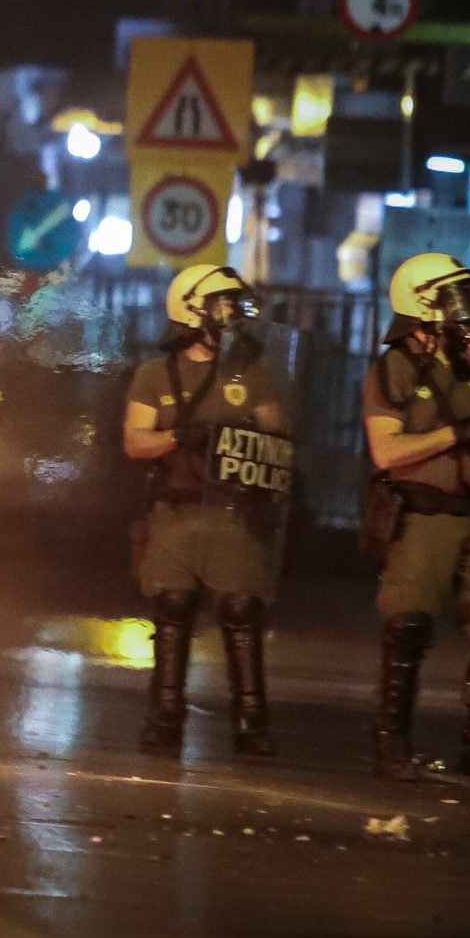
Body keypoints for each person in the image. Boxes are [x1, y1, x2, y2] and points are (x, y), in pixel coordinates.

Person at [120, 263, 291, 756]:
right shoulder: (155, 374)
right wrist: (178, 436)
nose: (232, 314)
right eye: (222, 304)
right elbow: (135, 440)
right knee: (173, 609)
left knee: (241, 609)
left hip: (234, 512)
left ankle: (252, 723)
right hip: (176, 511)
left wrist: (247, 443)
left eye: (234, 304)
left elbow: (278, 438)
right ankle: (165, 718)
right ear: (191, 310)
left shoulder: (251, 375)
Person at [363, 251, 470, 780]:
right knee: (409, 625)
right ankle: (392, 745)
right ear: (420, 303)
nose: (462, 308)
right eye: (450, 296)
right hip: (424, 514)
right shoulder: (392, 368)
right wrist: (454, 435)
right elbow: (386, 452)